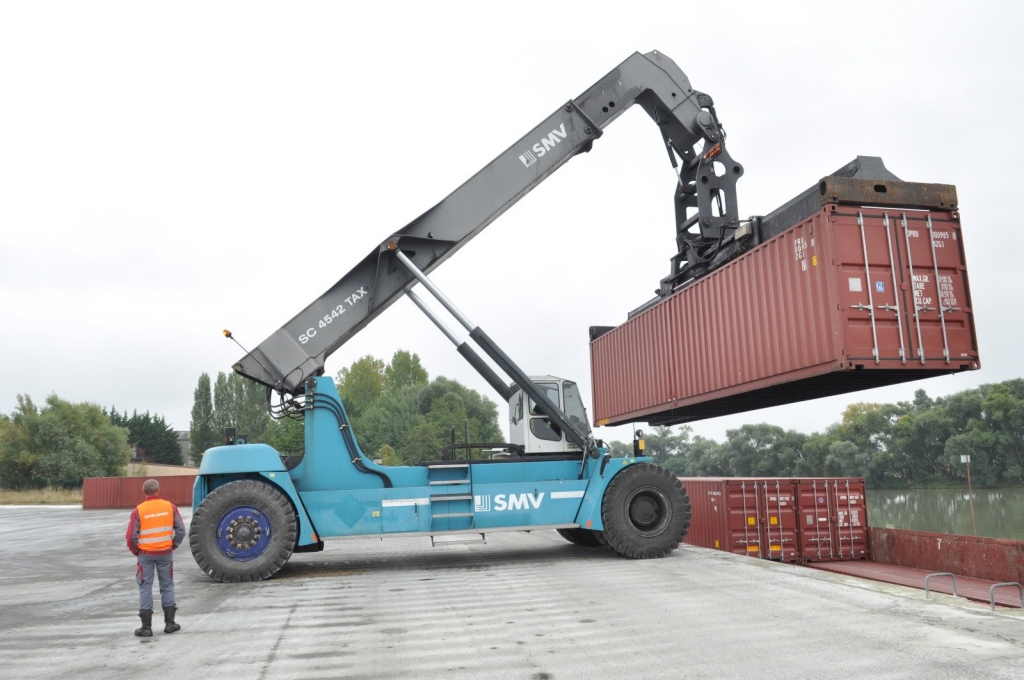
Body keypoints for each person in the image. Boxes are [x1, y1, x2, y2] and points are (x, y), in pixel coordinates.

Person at [125, 478, 186, 636]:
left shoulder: (138, 510)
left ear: (144, 492)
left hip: (145, 555)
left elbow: (131, 536)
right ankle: (170, 624)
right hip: (165, 553)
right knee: (167, 586)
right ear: (158, 490)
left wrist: (136, 551)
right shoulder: (169, 507)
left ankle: (146, 628)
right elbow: (181, 530)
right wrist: (173, 545)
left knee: (145, 587)